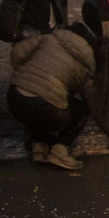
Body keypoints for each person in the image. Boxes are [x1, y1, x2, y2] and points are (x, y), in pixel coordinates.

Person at [9, 21, 96, 170]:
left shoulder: (49, 38)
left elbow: (17, 52)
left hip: (15, 97)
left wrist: (22, 75)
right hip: (48, 109)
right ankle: (59, 150)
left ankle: (39, 147)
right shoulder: (86, 64)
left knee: (38, 102)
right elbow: (92, 101)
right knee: (79, 109)